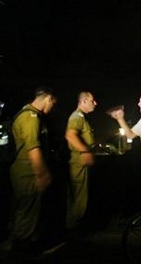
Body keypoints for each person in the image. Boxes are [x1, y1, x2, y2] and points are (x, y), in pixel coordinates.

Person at [8, 86, 58, 256]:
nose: (52, 108)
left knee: (24, 209)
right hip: (27, 172)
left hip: (22, 170)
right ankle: (22, 248)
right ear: (48, 99)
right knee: (27, 210)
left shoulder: (25, 114)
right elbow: (33, 148)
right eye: (53, 104)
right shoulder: (31, 117)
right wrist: (42, 174)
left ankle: (23, 243)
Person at [65, 91, 97, 230]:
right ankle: (72, 231)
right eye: (92, 100)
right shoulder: (77, 116)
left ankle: (74, 229)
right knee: (79, 198)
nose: (95, 103)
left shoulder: (82, 117)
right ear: (83, 101)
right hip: (78, 162)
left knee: (79, 197)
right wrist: (85, 151)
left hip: (80, 162)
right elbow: (70, 135)